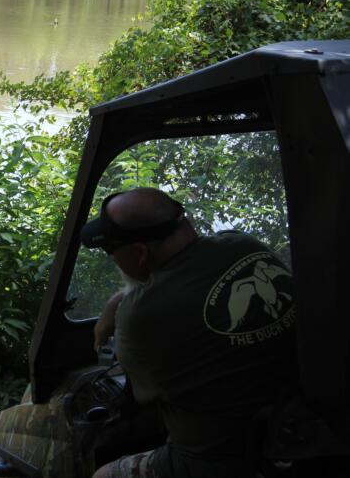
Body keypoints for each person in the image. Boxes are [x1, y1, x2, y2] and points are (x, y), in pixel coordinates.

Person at [84, 188, 297, 478]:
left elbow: (142, 397)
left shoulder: (140, 317)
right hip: (297, 429)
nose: (112, 258)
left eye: (111, 251)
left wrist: (119, 311)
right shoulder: (244, 245)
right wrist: (117, 301)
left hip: (218, 462)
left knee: (102, 475)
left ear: (140, 253)